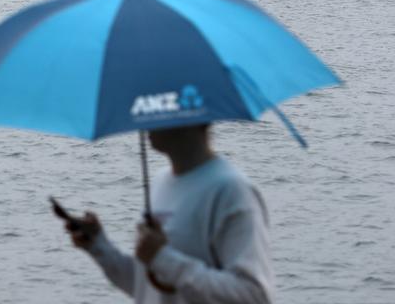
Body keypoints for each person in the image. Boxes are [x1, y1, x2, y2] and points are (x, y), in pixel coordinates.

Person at [63, 124, 273, 303]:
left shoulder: (230, 190)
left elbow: (253, 295)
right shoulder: (160, 182)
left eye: (159, 106)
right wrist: (99, 246)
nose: (146, 120)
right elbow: (148, 289)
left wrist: (163, 258)